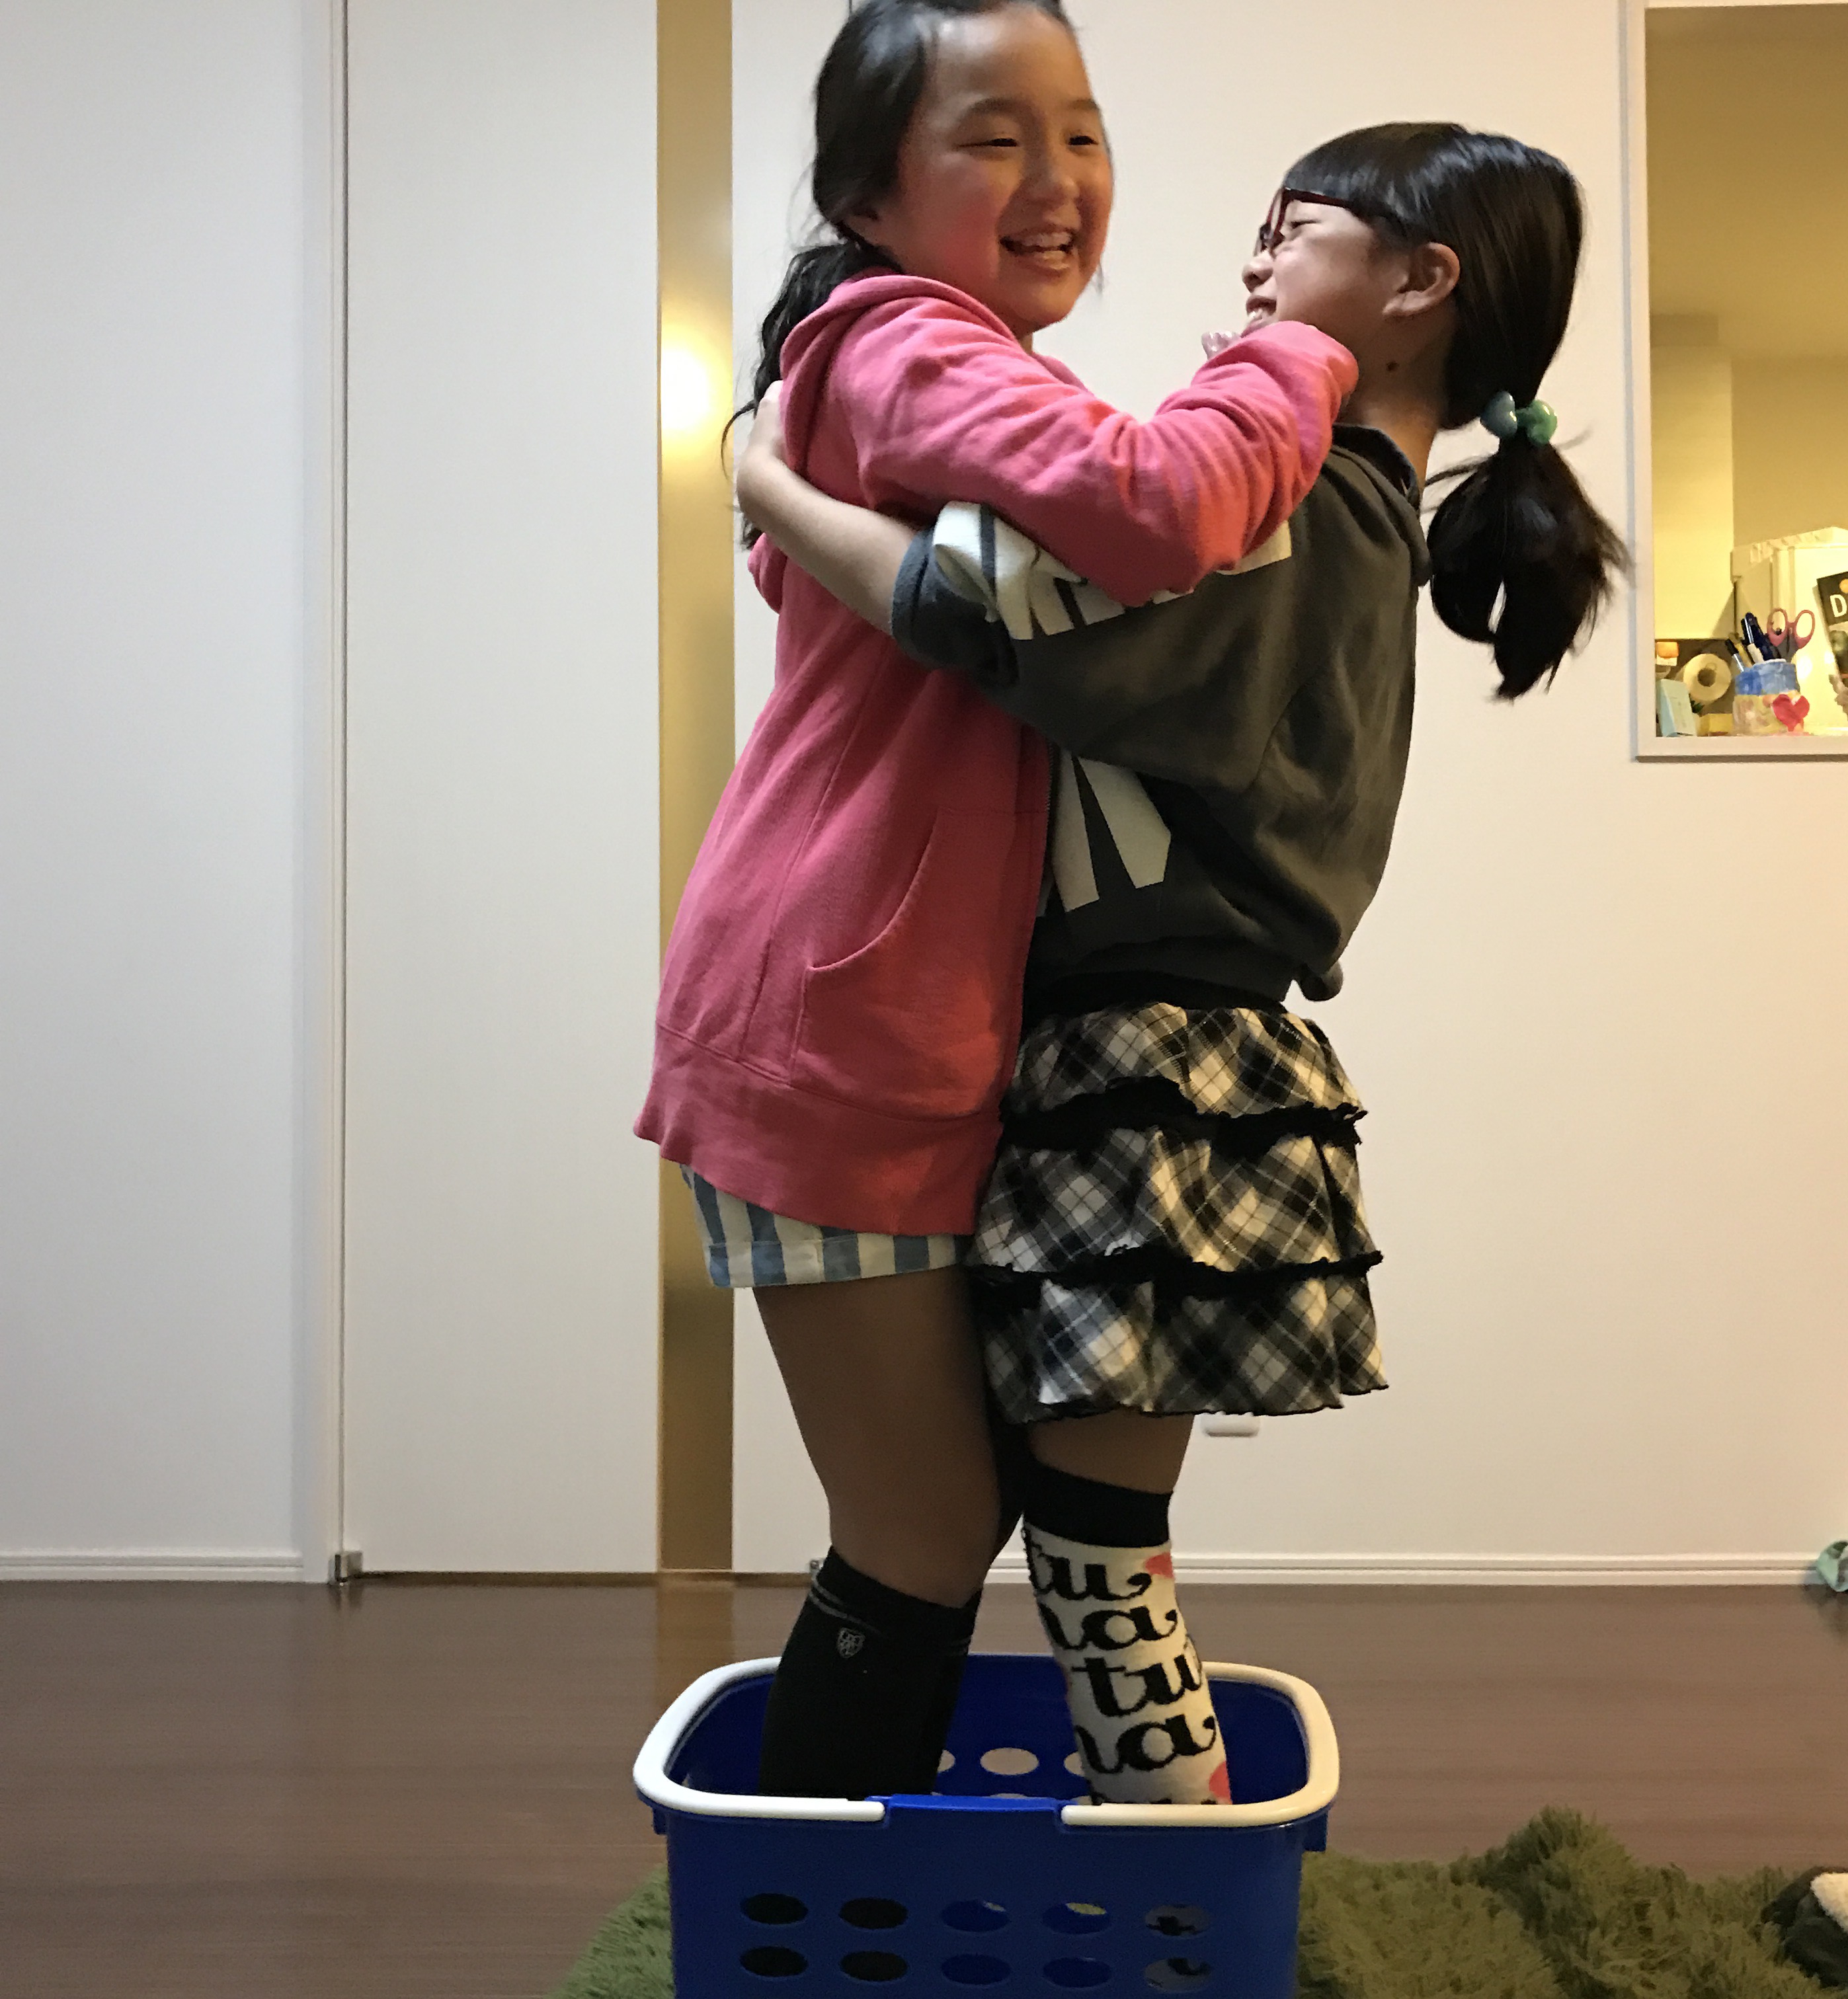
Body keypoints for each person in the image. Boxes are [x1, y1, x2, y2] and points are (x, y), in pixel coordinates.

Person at [733, 121, 1627, 1805]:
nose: (1255, 260)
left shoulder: (1309, 512)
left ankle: (1161, 1897)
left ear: (1421, 283)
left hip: (1148, 1064)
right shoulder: (1348, 514)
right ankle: (1131, 1888)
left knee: (1095, 1570)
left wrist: (769, 483)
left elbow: (988, 613)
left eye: (1298, 229)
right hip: (1164, 1056)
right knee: (1082, 1550)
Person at [635, 0, 1355, 1803]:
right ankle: (798, 1910)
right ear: (870, 195)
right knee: (919, 1534)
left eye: (1082, 131)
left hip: (913, 1018)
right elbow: (1154, 505)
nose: (1058, 178)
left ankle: (855, 1897)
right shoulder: (899, 339)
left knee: (962, 1521)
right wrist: (1303, 348)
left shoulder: (947, 370)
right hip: (832, 1024)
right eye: (995, 136)